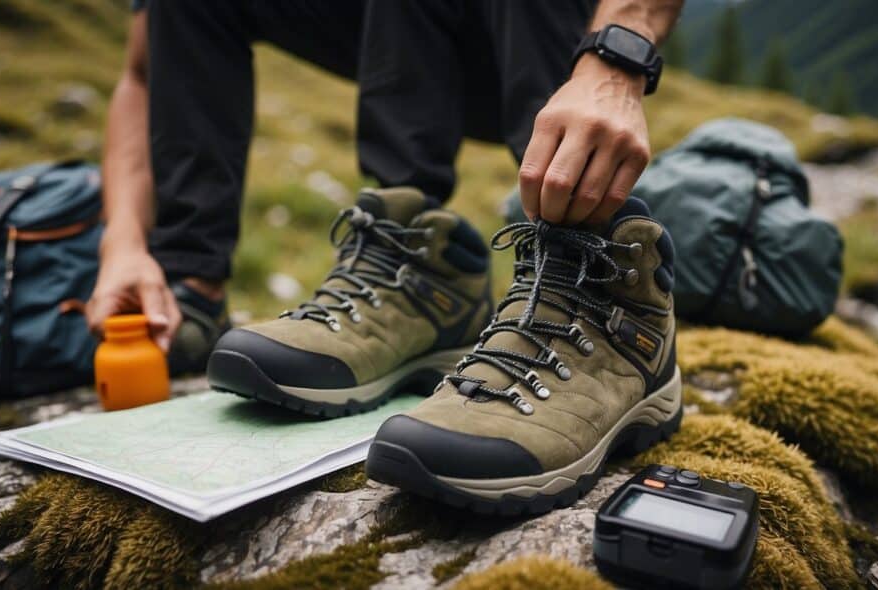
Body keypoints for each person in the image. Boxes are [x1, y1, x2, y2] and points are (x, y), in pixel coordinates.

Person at [88, 0, 683, 512]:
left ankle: (597, 284)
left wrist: (616, 59)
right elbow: (143, 71)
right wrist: (124, 244)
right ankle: (401, 268)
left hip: (567, 33)